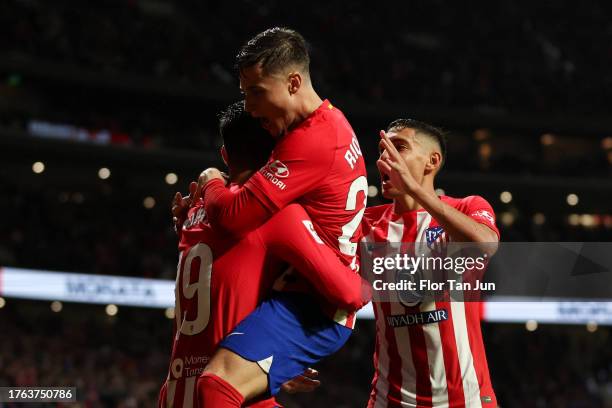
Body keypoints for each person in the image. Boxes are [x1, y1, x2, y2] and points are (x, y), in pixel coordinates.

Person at [194, 27, 369, 407]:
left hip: (316, 303)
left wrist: (211, 181)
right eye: (245, 94)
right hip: (307, 287)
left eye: (257, 92)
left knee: (217, 386)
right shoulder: (330, 123)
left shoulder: (310, 141)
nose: (251, 107)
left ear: (293, 83)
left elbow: (235, 217)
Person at [159, 102, 367, 408]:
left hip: (175, 393)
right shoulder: (274, 215)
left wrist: (274, 362)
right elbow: (349, 294)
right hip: (229, 396)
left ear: (226, 156)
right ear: (278, 155)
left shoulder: (195, 209)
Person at [363, 119, 499, 407]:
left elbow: (485, 244)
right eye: (382, 149)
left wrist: (416, 191)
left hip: (467, 398)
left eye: (399, 147)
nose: (385, 157)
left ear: (432, 162)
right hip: (391, 399)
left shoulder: (467, 207)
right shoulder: (365, 225)